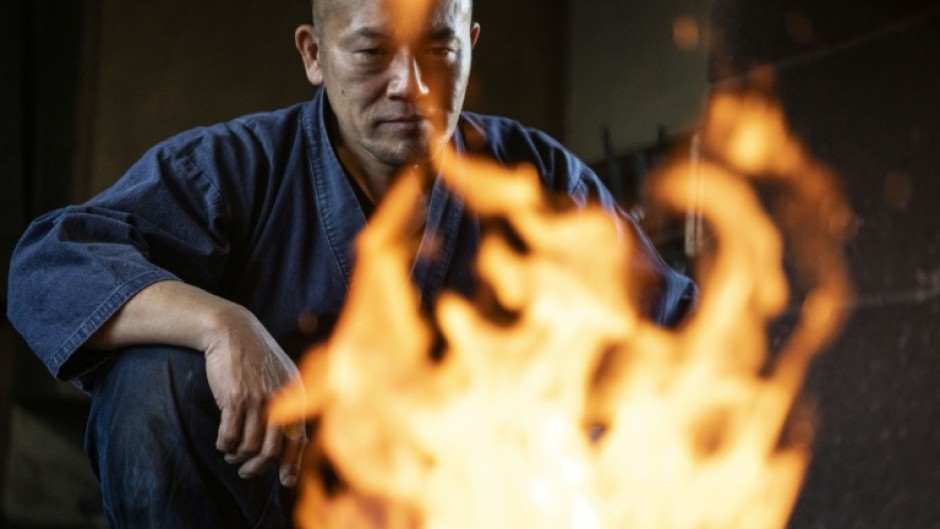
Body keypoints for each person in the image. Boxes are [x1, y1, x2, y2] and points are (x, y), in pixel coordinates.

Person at [7, 0, 695, 527]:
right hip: (277, 506)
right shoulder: (237, 170)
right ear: (314, 54)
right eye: (370, 52)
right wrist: (220, 325)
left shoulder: (535, 178)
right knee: (151, 378)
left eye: (437, 50)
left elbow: (682, 328)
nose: (409, 85)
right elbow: (49, 263)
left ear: (470, 45)